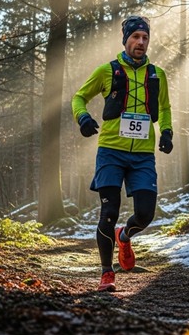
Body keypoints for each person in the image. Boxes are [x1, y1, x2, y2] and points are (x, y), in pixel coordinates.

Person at [71, 15, 173, 292]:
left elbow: (164, 108)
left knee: (145, 214)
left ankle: (124, 236)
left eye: (145, 38)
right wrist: (83, 118)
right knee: (109, 211)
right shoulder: (108, 71)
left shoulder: (157, 74)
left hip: (142, 156)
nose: (141, 42)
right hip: (111, 152)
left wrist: (166, 132)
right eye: (136, 37)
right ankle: (107, 274)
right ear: (125, 39)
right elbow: (79, 97)